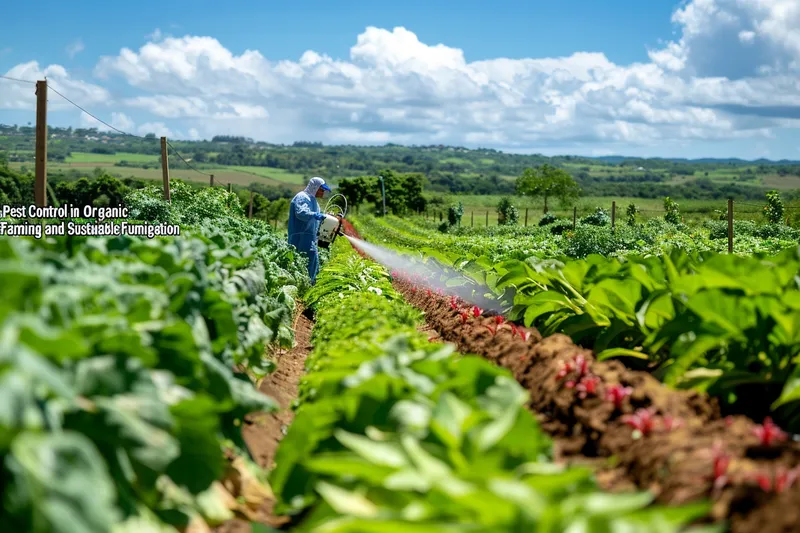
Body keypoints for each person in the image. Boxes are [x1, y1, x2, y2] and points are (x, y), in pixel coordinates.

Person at [288, 176, 331, 285]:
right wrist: (317, 215)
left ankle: (308, 287)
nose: (323, 193)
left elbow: (315, 220)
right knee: (300, 263)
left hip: (310, 238)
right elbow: (301, 214)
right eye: (322, 190)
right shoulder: (302, 197)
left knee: (311, 262)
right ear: (315, 187)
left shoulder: (314, 201)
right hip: (300, 238)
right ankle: (300, 287)